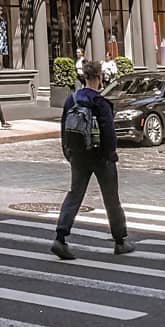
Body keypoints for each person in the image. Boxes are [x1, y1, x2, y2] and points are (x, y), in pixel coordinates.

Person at [52, 58, 134, 260]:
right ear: (99, 78)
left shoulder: (72, 99)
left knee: (74, 195)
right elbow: (109, 132)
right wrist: (111, 153)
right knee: (111, 198)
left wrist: (68, 152)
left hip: (78, 156)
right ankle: (120, 240)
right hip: (100, 156)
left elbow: (64, 128)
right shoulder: (100, 102)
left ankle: (60, 237)